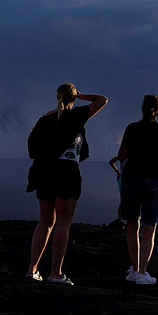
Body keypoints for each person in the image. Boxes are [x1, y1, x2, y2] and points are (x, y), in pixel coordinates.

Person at [26, 83, 108, 285]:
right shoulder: (76, 115)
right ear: (73, 98)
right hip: (67, 172)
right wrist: (82, 96)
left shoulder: (44, 119)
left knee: (45, 222)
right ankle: (55, 273)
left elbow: (32, 147)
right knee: (63, 222)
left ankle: (32, 269)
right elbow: (102, 100)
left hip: (44, 173)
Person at [117, 94, 158, 285]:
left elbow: (122, 154)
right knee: (149, 228)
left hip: (132, 178)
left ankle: (134, 269)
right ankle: (142, 271)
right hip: (154, 179)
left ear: (142, 109)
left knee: (132, 225)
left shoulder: (132, 128)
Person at [108, 155, 124, 220]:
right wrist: (117, 171)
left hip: (126, 179)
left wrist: (117, 172)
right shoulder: (123, 155)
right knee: (123, 200)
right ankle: (120, 219)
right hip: (124, 179)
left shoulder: (123, 155)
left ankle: (121, 220)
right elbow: (111, 162)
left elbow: (111, 162)